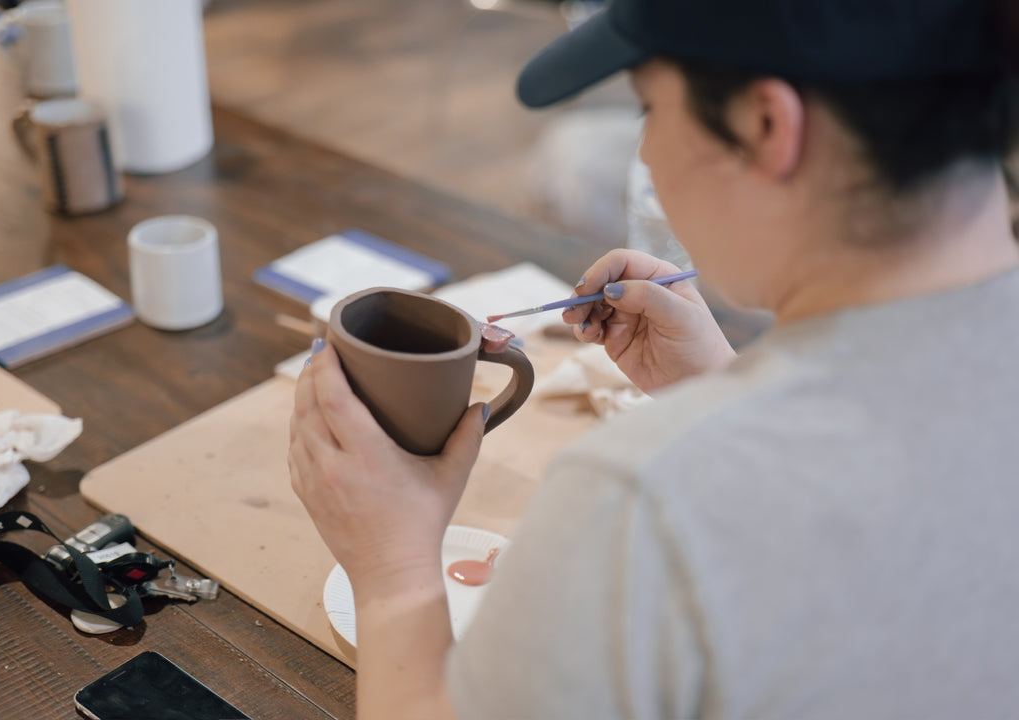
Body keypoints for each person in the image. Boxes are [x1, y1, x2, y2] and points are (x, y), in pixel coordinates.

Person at [289, 0, 1019, 717]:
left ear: (765, 126)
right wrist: (729, 392)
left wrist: (394, 574)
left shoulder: (647, 499)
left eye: (649, 111)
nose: (643, 154)